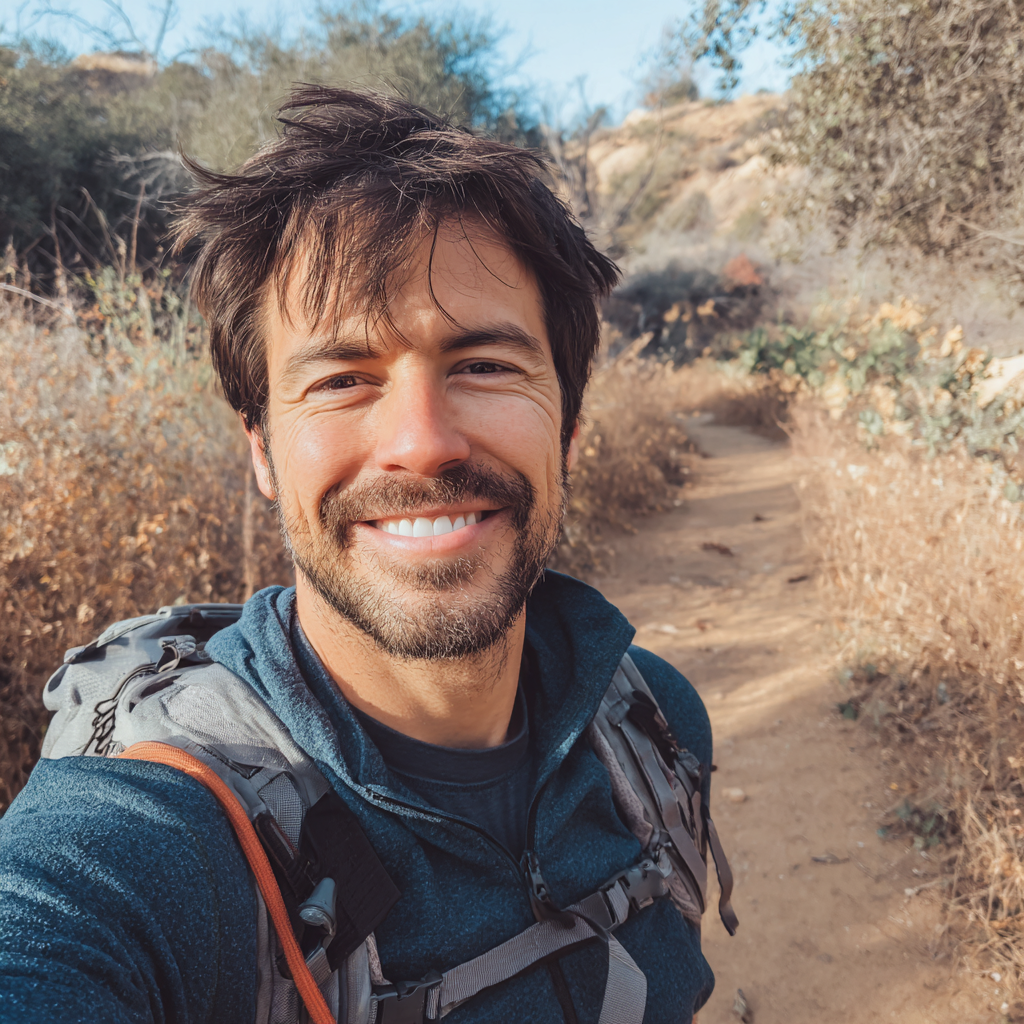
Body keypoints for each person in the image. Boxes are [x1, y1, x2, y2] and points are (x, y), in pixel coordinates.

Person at [0, 87, 729, 1024]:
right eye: (344, 379)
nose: (422, 444)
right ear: (262, 448)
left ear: (571, 427)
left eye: (484, 365)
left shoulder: (653, 720)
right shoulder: (158, 840)